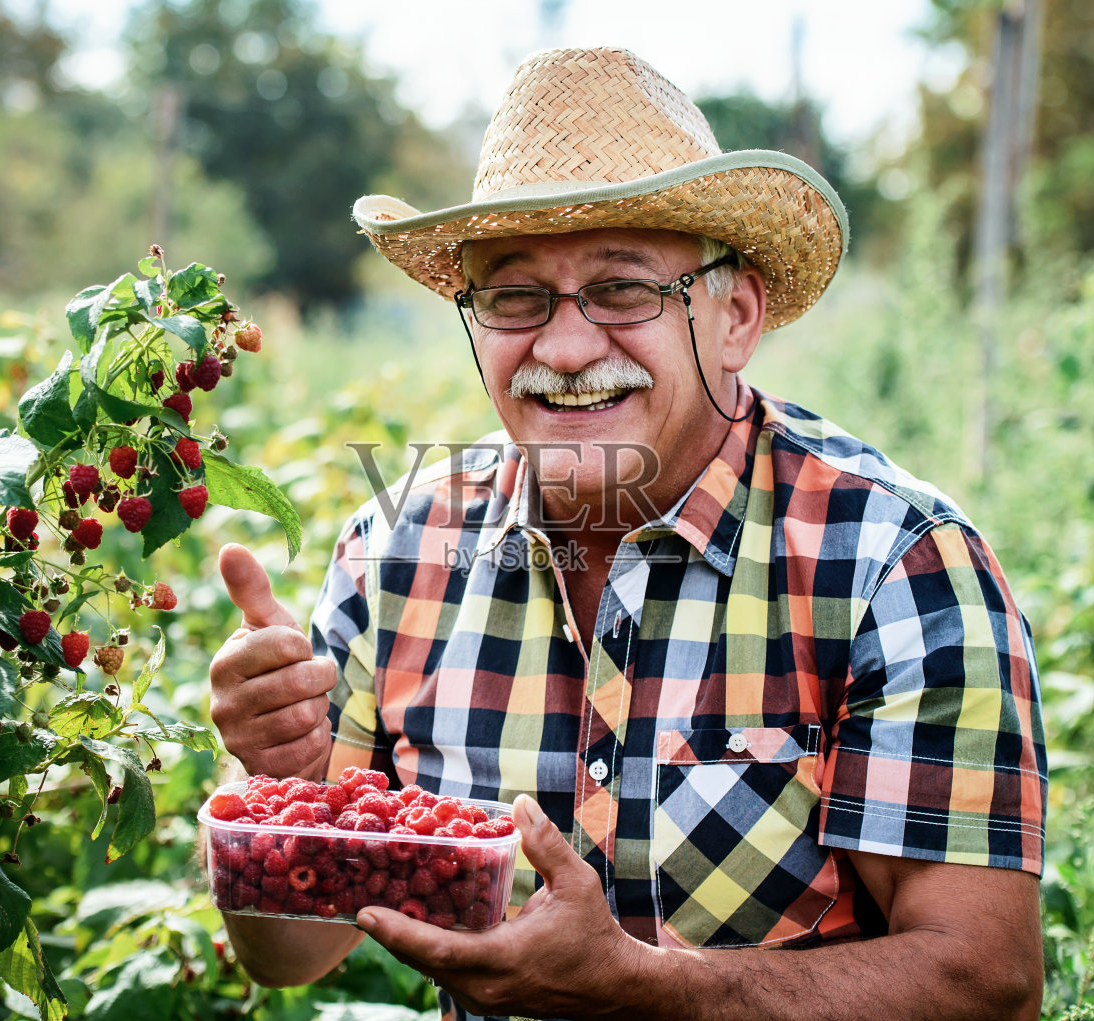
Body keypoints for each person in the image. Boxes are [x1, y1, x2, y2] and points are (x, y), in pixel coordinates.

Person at [208, 46, 1047, 1021]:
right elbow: (292, 951)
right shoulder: (398, 552)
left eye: (622, 289)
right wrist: (275, 779)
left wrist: (637, 987)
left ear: (735, 317)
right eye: (513, 296)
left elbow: (984, 981)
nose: (565, 348)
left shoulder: (891, 561)